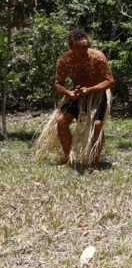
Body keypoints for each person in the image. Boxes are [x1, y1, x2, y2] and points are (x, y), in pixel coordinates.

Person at [33, 28, 115, 169]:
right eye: (78, 47)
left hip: (96, 94)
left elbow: (110, 81)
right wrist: (69, 94)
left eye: (85, 46)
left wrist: (90, 89)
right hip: (76, 94)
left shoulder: (98, 57)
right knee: (61, 121)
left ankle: (95, 163)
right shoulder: (65, 60)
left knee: (97, 125)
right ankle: (68, 160)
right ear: (71, 47)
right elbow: (58, 83)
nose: (83, 50)